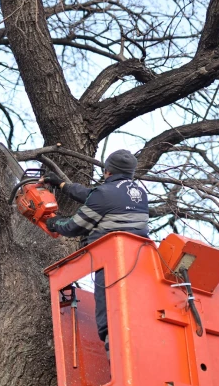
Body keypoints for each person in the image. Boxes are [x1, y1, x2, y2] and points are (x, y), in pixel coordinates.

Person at [41, 149, 149, 357]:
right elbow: (94, 195)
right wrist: (61, 185)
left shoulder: (105, 194)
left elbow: (74, 226)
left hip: (110, 260)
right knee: (130, 308)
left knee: (108, 310)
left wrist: (54, 223)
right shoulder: (138, 192)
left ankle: (114, 357)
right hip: (137, 257)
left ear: (107, 170)